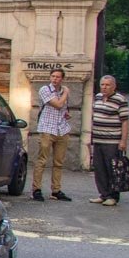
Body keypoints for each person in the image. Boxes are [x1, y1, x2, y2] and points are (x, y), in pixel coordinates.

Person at [31, 68, 72, 202]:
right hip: (47, 129)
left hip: (62, 129)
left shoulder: (62, 91)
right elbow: (58, 104)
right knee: (42, 160)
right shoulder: (45, 90)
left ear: (62, 79)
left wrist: (67, 114)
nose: (55, 79)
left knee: (58, 162)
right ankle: (36, 189)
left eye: (58, 77)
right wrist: (66, 93)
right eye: (53, 76)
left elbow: (63, 109)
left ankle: (56, 189)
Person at [89, 74, 129, 207]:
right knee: (99, 169)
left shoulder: (120, 100)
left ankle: (113, 196)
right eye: (102, 85)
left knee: (112, 169)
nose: (104, 87)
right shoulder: (98, 97)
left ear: (114, 86)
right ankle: (103, 194)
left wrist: (123, 141)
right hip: (98, 139)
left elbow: (124, 122)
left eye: (108, 85)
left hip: (112, 141)